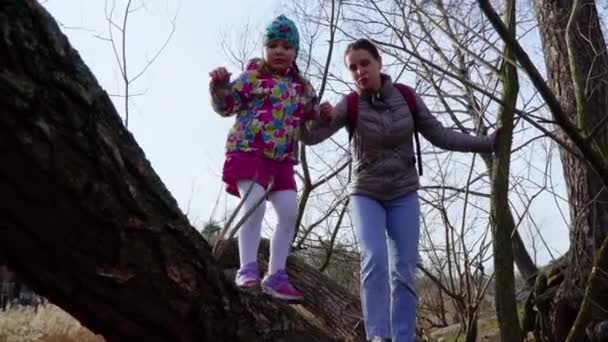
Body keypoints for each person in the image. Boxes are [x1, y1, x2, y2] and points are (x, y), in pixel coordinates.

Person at [300, 38, 498, 341]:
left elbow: (441, 135)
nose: (359, 72)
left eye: (364, 63)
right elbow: (311, 139)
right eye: (353, 68)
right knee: (374, 260)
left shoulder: (406, 96)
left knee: (404, 270)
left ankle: (404, 337)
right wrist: (309, 115)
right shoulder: (349, 104)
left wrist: (488, 143)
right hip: (366, 193)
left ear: (379, 62)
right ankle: (378, 336)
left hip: (404, 193)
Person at [209, 15, 329, 301]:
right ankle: (247, 269)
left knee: (288, 212)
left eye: (287, 46)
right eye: (273, 45)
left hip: (282, 159)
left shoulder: (302, 87)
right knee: (254, 206)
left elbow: (309, 121)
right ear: (264, 49)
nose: (279, 51)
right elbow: (226, 106)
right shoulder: (252, 78)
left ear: (295, 52)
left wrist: (323, 115)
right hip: (248, 151)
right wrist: (220, 86)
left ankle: (276, 275)